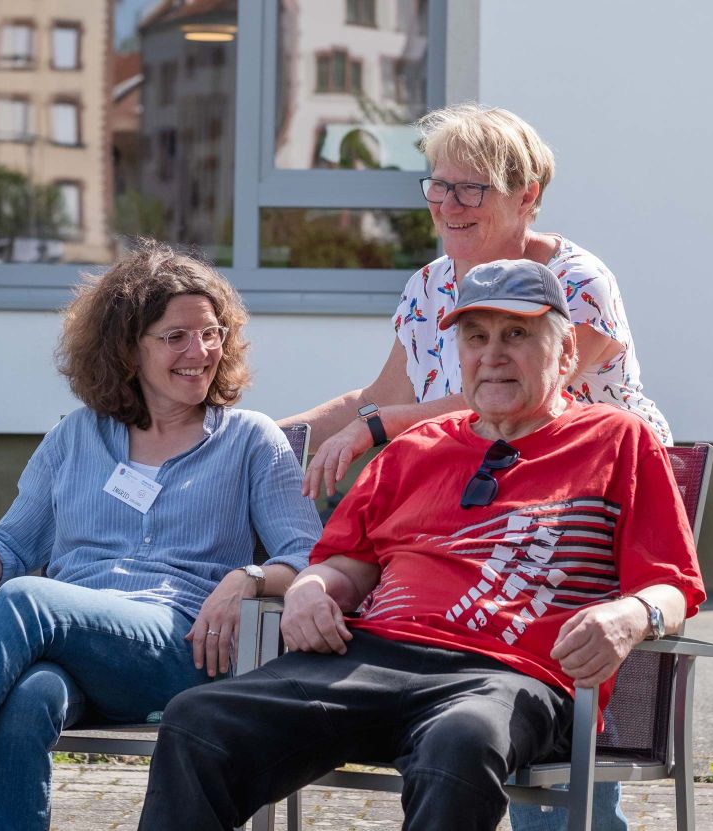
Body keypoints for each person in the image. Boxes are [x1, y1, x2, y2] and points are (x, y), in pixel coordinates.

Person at [137, 260, 705, 831]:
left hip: (506, 676)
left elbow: (673, 586)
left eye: (516, 334)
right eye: (476, 337)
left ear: (564, 354)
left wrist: (633, 615)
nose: (492, 355)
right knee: (199, 720)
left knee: (462, 740)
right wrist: (310, 588)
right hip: (367, 661)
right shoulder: (414, 449)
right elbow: (347, 569)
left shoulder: (616, 441)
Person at [0, 240, 322, 831]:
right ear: (127, 349)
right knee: (27, 699)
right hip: (77, 648)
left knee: (28, 598)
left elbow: (308, 556)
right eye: (175, 337)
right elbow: (13, 544)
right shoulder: (76, 437)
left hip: (184, 646)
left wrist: (249, 578)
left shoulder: (251, 439)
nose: (199, 352)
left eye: (211, 334)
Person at [279, 102, 667, 829]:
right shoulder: (430, 286)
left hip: (587, 510)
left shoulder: (576, 280)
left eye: (471, 188)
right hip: (465, 515)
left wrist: (376, 428)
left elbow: (510, 396)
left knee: (545, 727)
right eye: (438, 184)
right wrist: (259, 436)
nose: (447, 204)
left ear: (527, 196)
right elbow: (378, 394)